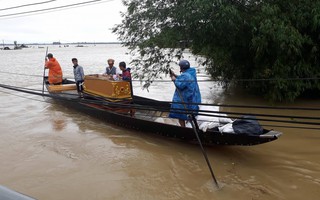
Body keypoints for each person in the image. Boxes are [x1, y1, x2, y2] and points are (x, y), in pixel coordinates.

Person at [169, 60, 201, 127]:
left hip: (185, 99)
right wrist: (175, 76)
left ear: (181, 68)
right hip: (192, 98)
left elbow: (180, 85)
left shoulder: (185, 76)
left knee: (181, 115)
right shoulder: (191, 72)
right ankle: (190, 126)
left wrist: (174, 79)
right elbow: (183, 79)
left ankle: (183, 129)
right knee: (190, 115)